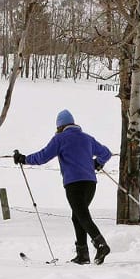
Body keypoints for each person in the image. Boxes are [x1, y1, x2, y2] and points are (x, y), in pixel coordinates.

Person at [15, 109, 113, 264]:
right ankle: (83, 254)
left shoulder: (60, 139)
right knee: (78, 216)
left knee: (81, 215)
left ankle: (100, 244)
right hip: (90, 184)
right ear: (73, 124)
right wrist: (97, 163)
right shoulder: (87, 138)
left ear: (59, 126)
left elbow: (43, 156)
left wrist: (24, 159)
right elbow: (106, 153)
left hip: (73, 184)